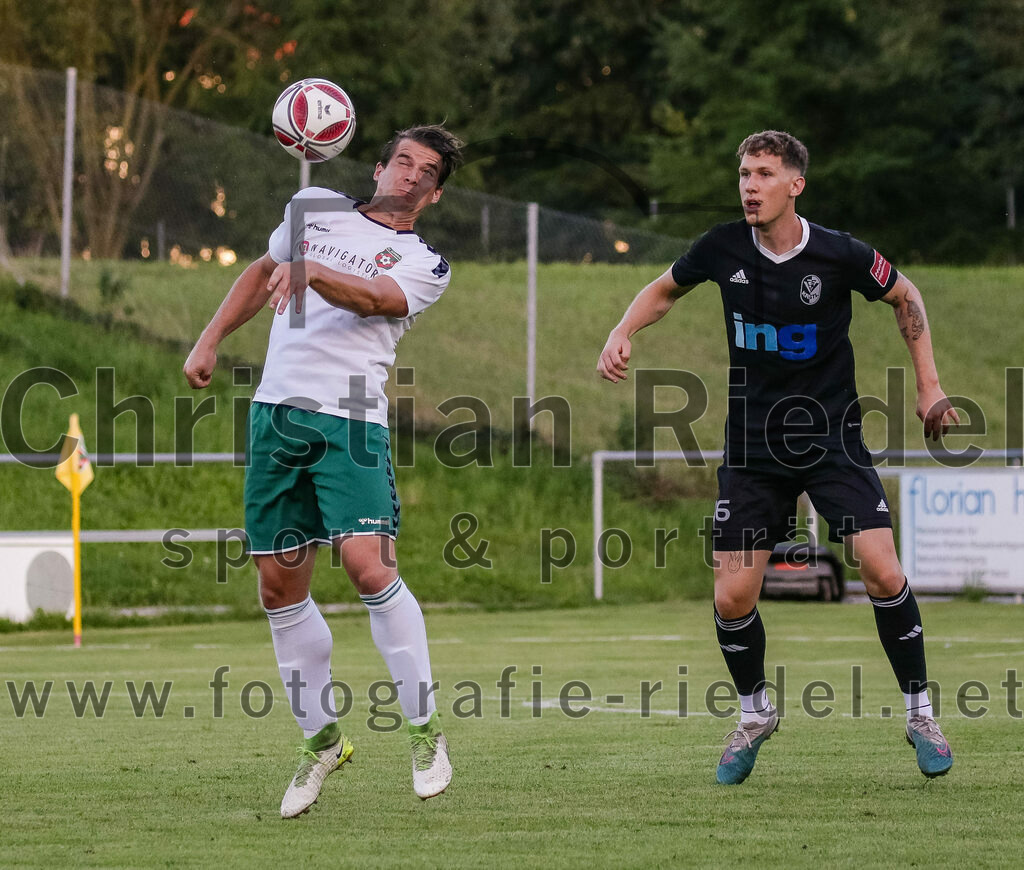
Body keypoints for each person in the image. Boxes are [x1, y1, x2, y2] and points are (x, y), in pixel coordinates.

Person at [597, 130, 959, 785]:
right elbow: (664, 288)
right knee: (732, 595)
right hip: (752, 450)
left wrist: (929, 387)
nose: (749, 185)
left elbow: (906, 296)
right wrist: (623, 331)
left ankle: (921, 715)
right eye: (743, 173)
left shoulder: (840, 254)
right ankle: (755, 714)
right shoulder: (722, 246)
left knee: (882, 570)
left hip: (832, 442)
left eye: (763, 173)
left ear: (796, 184)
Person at [184, 124, 464, 816]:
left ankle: (425, 733)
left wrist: (312, 272)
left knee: (369, 566)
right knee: (278, 587)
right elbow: (263, 272)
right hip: (276, 416)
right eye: (402, 161)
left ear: (433, 195)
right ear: (377, 168)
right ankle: (322, 742)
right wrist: (210, 338)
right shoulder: (313, 208)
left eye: (426, 172)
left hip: (351, 423)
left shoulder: (425, 262)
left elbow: (373, 299)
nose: (410, 175)